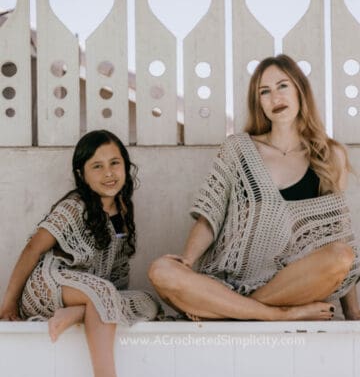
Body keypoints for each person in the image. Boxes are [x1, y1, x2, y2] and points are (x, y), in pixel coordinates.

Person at [149, 54, 360, 322]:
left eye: (283, 86)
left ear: (299, 90)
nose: (275, 97)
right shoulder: (238, 149)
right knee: (162, 270)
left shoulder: (329, 155)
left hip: (290, 284)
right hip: (230, 279)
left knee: (341, 256)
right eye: (265, 91)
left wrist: (353, 312)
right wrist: (186, 262)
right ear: (258, 102)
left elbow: (338, 234)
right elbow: (208, 216)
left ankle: (228, 310)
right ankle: (276, 315)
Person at [0, 129, 159, 377]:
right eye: (96, 166)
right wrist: (8, 302)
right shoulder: (75, 206)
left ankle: (81, 313)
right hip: (50, 284)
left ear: (126, 166)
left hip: (92, 293)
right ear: (82, 174)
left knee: (149, 302)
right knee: (102, 290)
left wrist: (106, 305)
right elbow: (33, 248)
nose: (108, 173)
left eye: (115, 163)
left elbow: (118, 276)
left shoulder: (122, 211)